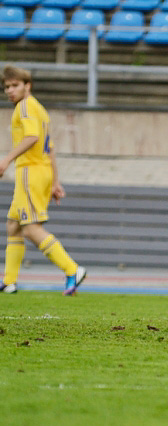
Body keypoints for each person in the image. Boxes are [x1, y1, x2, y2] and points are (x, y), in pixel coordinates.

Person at [0, 65, 85, 295]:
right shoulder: (38, 108)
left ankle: (72, 269)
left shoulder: (25, 107)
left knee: (30, 228)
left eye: (15, 85)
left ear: (27, 86)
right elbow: (50, 149)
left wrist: (6, 159)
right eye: (6, 87)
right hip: (41, 171)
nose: (10, 90)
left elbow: (32, 137)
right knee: (14, 225)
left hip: (30, 172)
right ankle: (9, 281)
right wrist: (55, 182)